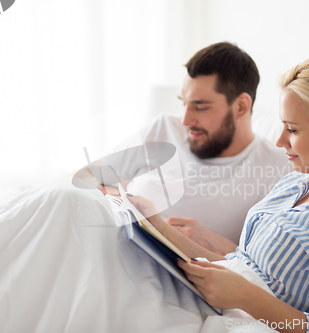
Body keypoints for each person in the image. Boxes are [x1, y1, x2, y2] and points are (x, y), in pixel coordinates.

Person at [128, 53, 309, 332]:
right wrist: (159, 226)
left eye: (292, 129)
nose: (279, 140)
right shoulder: (296, 183)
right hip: (214, 306)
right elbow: (239, 269)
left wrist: (246, 297)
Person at [75, 42, 290, 255]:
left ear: (241, 106)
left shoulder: (279, 167)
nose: (186, 120)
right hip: (112, 246)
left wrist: (220, 245)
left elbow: (269, 267)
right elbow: (83, 175)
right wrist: (101, 189)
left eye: (200, 107)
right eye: (183, 103)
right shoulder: (163, 129)